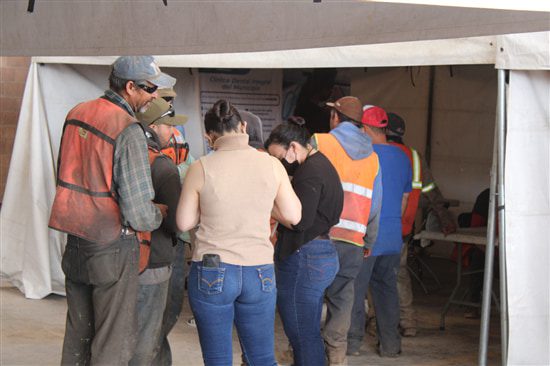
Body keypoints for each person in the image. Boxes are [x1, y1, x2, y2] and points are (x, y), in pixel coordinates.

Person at [48, 56, 173, 365]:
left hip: (75, 240)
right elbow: (138, 214)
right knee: (112, 343)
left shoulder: (77, 113)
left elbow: (65, 174)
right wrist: (161, 212)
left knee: (78, 334)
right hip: (112, 248)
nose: (155, 96)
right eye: (150, 89)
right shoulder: (127, 129)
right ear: (130, 87)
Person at [176, 99, 302, 365]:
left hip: (213, 270)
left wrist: (206, 208)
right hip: (260, 271)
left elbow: (184, 222)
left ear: (209, 136)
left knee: (218, 360)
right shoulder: (271, 165)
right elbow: (293, 216)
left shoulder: (200, 167)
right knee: (262, 358)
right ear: (243, 126)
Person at [264, 116, 344, 366]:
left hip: (305, 258)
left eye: (279, 157)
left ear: (294, 148)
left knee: (302, 334)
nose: (279, 164)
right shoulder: (322, 165)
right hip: (320, 254)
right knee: (307, 331)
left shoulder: (309, 172)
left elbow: (299, 221)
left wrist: (269, 205)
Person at [311, 96, 383, 365]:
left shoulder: (320, 142)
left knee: (311, 294)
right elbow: (375, 204)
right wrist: (369, 241)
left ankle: (307, 353)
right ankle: (337, 356)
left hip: (320, 237)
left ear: (335, 117)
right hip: (353, 240)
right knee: (343, 298)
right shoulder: (373, 158)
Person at [347, 105, 412, 358]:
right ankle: (390, 346)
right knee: (387, 291)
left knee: (355, 289)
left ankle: (351, 345)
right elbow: (405, 200)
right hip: (392, 237)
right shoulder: (403, 157)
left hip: (366, 236)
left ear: (364, 128)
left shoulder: (364, 156)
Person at [385, 112, 456, 336]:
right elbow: (430, 191)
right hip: (405, 228)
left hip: (381, 227)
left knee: (376, 278)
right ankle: (408, 323)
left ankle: (377, 322)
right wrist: (444, 217)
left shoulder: (380, 154)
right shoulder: (415, 157)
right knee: (400, 274)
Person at [129, 98, 185, 365]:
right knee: (148, 334)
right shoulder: (163, 167)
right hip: (153, 260)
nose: (172, 133)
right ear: (153, 126)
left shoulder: (124, 155)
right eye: (168, 126)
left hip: (120, 256)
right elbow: (176, 222)